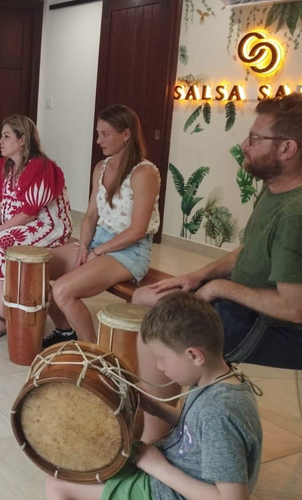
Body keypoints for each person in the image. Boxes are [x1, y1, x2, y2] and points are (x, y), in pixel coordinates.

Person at [132, 93, 302, 440]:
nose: (244, 144)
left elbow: (293, 308)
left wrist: (218, 289)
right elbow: (250, 249)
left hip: (277, 327)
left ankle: (154, 441)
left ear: (287, 148)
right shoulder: (275, 188)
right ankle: (155, 413)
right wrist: (199, 276)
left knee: (156, 334)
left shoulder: (296, 213)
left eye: (255, 139)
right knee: (144, 297)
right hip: (247, 307)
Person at [44, 292, 262, 500]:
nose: (159, 366)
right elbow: (195, 428)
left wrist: (159, 469)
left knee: (57, 485)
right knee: (91, 456)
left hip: (168, 491)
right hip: (170, 471)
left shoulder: (219, 412)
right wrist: (156, 407)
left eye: (162, 358)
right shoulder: (219, 380)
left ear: (194, 355)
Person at [43, 104, 160, 345]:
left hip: (129, 252)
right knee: (35, 270)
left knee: (63, 290)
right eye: (98, 133)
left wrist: (99, 251)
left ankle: (92, 353)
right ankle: (65, 330)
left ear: (126, 134)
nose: (98, 140)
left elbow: (137, 230)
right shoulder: (101, 167)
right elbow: (90, 215)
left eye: (105, 134)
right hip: (98, 242)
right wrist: (84, 246)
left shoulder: (144, 173)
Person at [0, 115, 72, 339]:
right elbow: (0, 206)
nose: (0, 140)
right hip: (14, 221)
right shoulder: (5, 167)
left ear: (23, 140)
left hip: (45, 225)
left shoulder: (41, 168)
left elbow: (29, 214)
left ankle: (2, 316)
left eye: (7, 136)